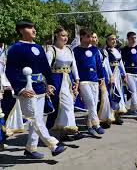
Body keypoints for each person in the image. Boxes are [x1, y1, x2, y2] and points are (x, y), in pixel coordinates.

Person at [5, 20, 66, 159]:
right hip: (27, 90)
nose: (34, 30)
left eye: (34, 27)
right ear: (21, 30)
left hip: (40, 89)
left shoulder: (38, 47)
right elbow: (11, 71)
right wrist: (20, 89)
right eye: (29, 27)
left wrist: (49, 84)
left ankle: (30, 148)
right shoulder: (15, 48)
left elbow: (46, 68)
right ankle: (53, 145)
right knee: (34, 118)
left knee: (36, 120)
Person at [46, 27, 83, 140]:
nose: (65, 38)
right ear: (57, 36)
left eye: (66, 35)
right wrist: (47, 84)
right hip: (56, 80)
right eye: (62, 35)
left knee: (68, 104)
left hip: (68, 80)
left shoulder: (69, 50)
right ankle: (53, 131)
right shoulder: (51, 50)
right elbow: (46, 68)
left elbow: (74, 65)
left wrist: (77, 79)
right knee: (57, 106)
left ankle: (66, 131)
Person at [73, 28, 105, 137]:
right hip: (83, 80)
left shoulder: (95, 50)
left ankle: (90, 126)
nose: (90, 38)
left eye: (91, 36)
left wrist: (101, 77)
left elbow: (99, 65)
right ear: (81, 37)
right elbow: (74, 67)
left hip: (94, 79)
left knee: (94, 104)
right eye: (88, 36)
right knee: (90, 102)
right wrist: (75, 81)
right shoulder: (76, 51)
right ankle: (96, 123)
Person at [103, 34, 127, 125]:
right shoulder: (105, 51)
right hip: (111, 74)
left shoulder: (117, 50)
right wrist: (110, 76)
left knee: (119, 92)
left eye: (115, 39)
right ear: (107, 40)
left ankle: (118, 115)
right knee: (111, 93)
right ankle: (109, 116)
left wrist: (124, 74)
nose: (114, 41)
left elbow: (120, 63)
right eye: (112, 39)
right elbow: (105, 64)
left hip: (118, 74)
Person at [121, 32, 137, 116]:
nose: (134, 39)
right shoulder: (124, 49)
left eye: (135, 38)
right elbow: (121, 62)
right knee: (132, 91)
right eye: (132, 38)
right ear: (128, 38)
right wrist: (123, 74)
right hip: (128, 73)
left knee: (136, 91)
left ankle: (133, 109)